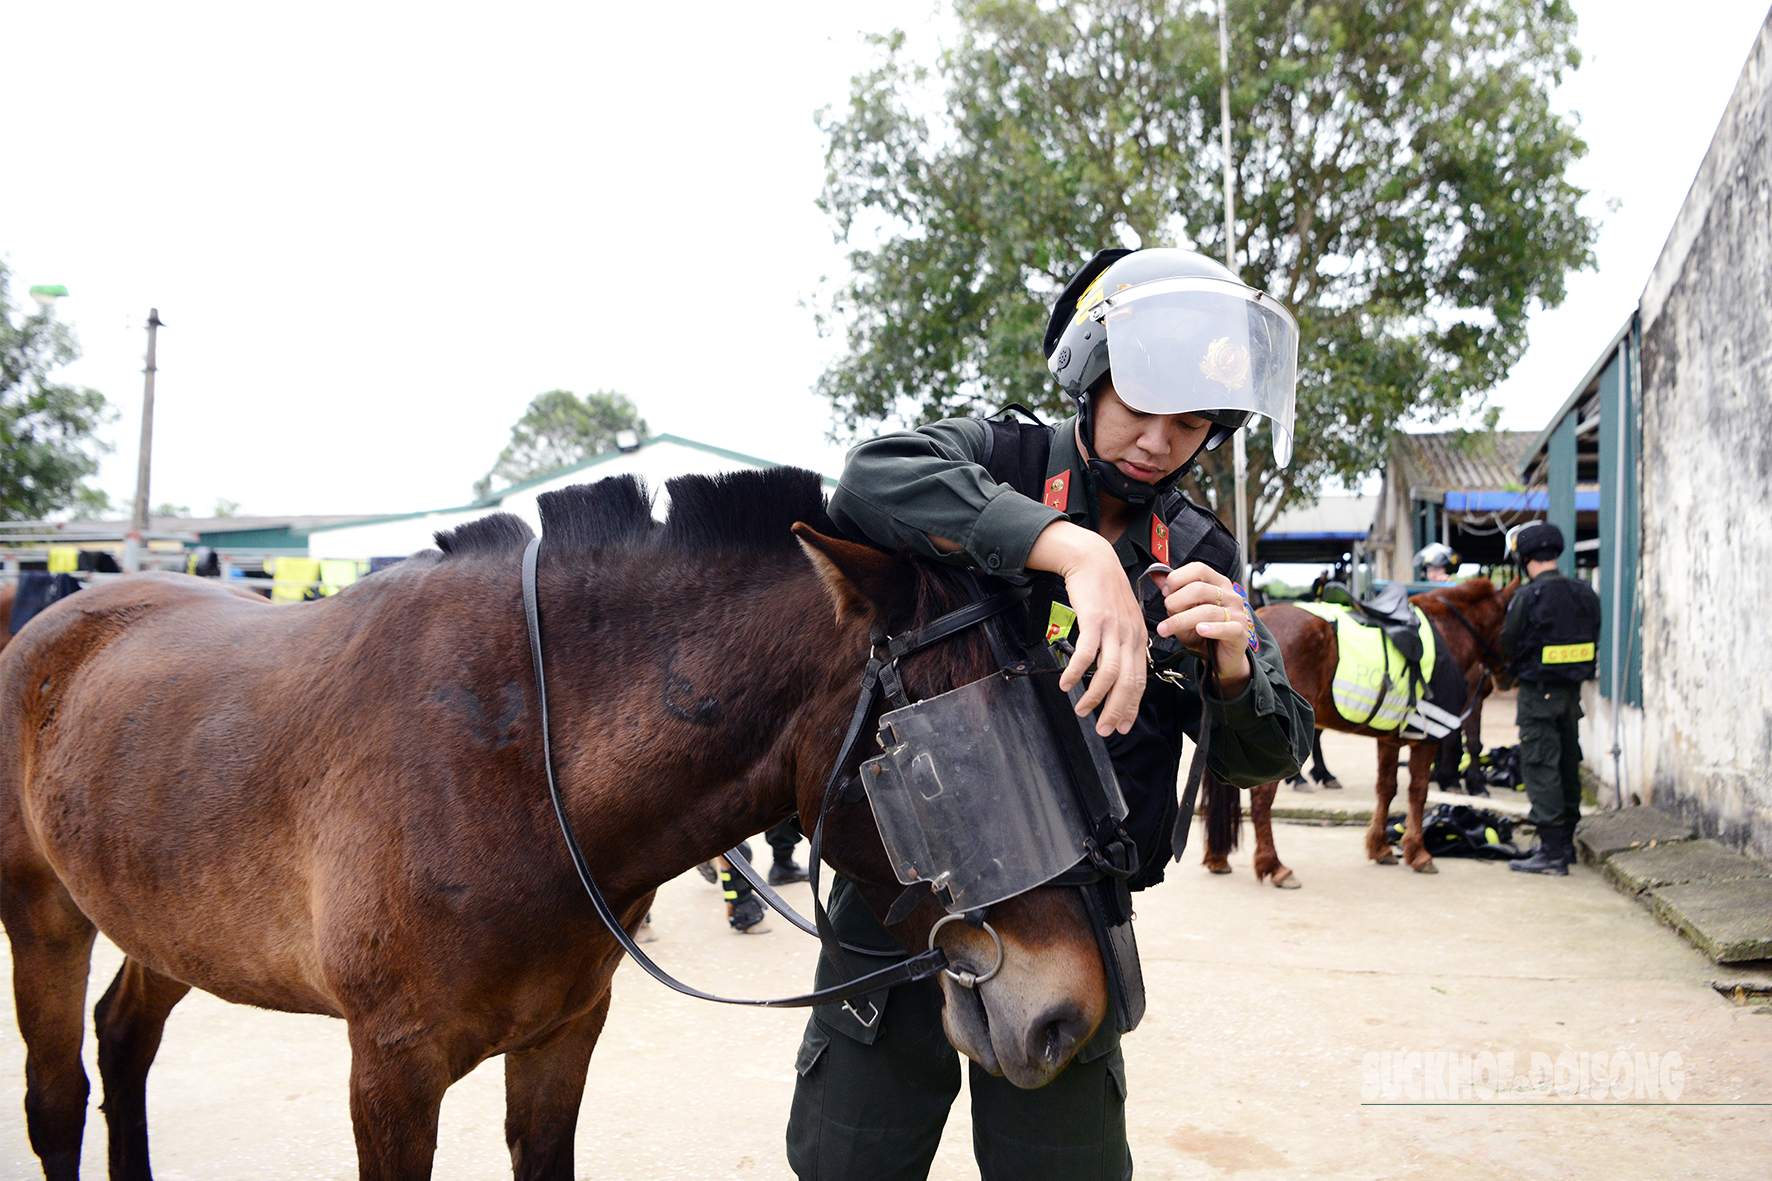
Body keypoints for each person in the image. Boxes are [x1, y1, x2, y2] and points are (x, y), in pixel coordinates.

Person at [785, 247, 1314, 1181]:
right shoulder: (1000, 460)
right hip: (910, 891)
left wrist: (1232, 665)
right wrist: (1067, 549)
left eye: (1188, 423)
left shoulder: (1200, 552)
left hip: (1067, 913)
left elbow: (1256, 757)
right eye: (1138, 407)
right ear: (1090, 379)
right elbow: (866, 478)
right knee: (849, 1163)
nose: (1157, 440)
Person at [1500, 522, 1601, 875]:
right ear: (1555, 554)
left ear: (1525, 558)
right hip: (1572, 696)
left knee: (1541, 767)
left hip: (1536, 695)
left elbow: (1508, 643)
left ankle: (1553, 852)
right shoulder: (1585, 593)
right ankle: (1564, 845)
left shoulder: (1526, 598)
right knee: (1566, 766)